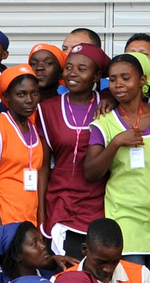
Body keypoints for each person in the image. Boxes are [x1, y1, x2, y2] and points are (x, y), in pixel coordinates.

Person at [86, 52, 150, 283]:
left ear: (143, 80)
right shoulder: (104, 122)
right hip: (123, 221)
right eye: (113, 79)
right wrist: (115, 143)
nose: (119, 84)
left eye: (126, 77)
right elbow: (91, 172)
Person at [38, 42, 109, 260]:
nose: (73, 73)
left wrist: (112, 99)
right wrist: (41, 214)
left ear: (97, 75)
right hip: (59, 203)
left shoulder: (108, 107)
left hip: (101, 204)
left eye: (82, 68)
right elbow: (43, 166)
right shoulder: (46, 108)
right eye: (69, 67)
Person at [0, 65, 48, 234]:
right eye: (21, 94)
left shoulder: (33, 126)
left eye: (34, 93)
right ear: (7, 96)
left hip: (29, 223)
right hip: (4, 221)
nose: (29, 100)